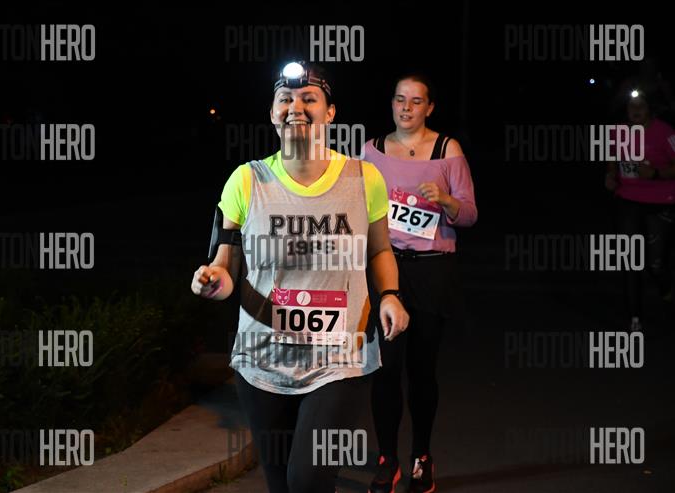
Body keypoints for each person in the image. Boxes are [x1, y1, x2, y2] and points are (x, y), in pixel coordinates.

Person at [191, 61, 410, 493]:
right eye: (286, 99)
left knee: (307, 480)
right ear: (273, 113)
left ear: (330, 112)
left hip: (340, 359)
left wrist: (390, 295)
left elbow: (380, 249)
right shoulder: (246, 180)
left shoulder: (363, 178)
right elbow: (226, 268)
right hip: (262, 359)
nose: (296, 106)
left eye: (309, 98)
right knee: (280, 484)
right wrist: (212, 280)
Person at [363, 73, 478, 493]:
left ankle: (422, 458)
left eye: (416, 101)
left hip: (432, 270)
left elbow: (469, 215)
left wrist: (445, 200)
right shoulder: (372, 151)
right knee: (385, 368)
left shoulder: (448, 150)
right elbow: (357, 209)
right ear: (392, 104)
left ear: (429, 107)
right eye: (400, 100)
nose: (406, 108)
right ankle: (387, 459)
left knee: (421, 370)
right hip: (387, 267)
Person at [605, 89, 675, 332]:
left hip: (661, 201)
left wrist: (655, 173)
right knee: (630, 260)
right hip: (628, 199)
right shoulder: (617, 132)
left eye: (641, 107)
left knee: (656, 264)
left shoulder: (665, 132)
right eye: (631, 107)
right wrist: (611, 175)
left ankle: (666, 288)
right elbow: (612, 157)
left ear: (650, 110)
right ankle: (635, 317)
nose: (635, 111)